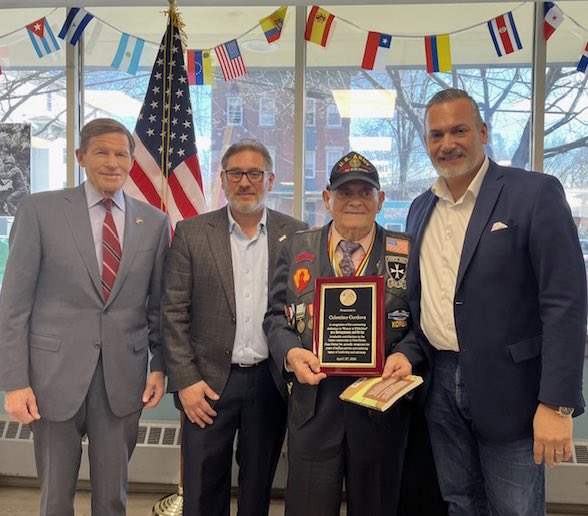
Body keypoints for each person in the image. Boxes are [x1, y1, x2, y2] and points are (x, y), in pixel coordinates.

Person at [406, 88, 587, 515]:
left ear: (483, 132)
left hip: (515, 391)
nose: (447, 143)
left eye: (459, 130)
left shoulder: (534, 194)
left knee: (515, 508)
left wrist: (556, 403)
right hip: (440, 384)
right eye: (436, 135)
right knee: (460, 502)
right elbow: (423, 299)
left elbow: (565, 302)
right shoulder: (419, 208)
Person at [0, 118, 170, 516]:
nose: (113, 163)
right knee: (55, 498)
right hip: (51, 379)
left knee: (113, 498)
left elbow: (157, 306)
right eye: (102, 152)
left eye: (121, 154)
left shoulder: (154, 222)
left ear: (131, 161)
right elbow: (14, 305)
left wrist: (159, 365)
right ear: (80, 157)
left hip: (122, 379)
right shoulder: (39, 211)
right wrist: (14, 382)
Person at [263, 152, 425, 516]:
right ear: (327, 198)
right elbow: (275, 317)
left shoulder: (406, 251)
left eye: (365, 192)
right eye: (344, 191)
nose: (355, 200)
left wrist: (407, 355)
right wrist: (290, 353)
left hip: (380, 412)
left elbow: (423, 324)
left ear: (380, 200)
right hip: (313, 409)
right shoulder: (296, 247)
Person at [162, 138, 307, 516]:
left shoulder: (297, 234)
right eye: (236, 173)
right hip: (205, 383)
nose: (246, 182)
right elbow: (173, 311)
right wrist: (185, 382)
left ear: (271, 180)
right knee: (202, 488)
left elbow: (305, 309)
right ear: (222, 180)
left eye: (255, 173)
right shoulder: (192, 233)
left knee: (258, 487)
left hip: (269, 382)